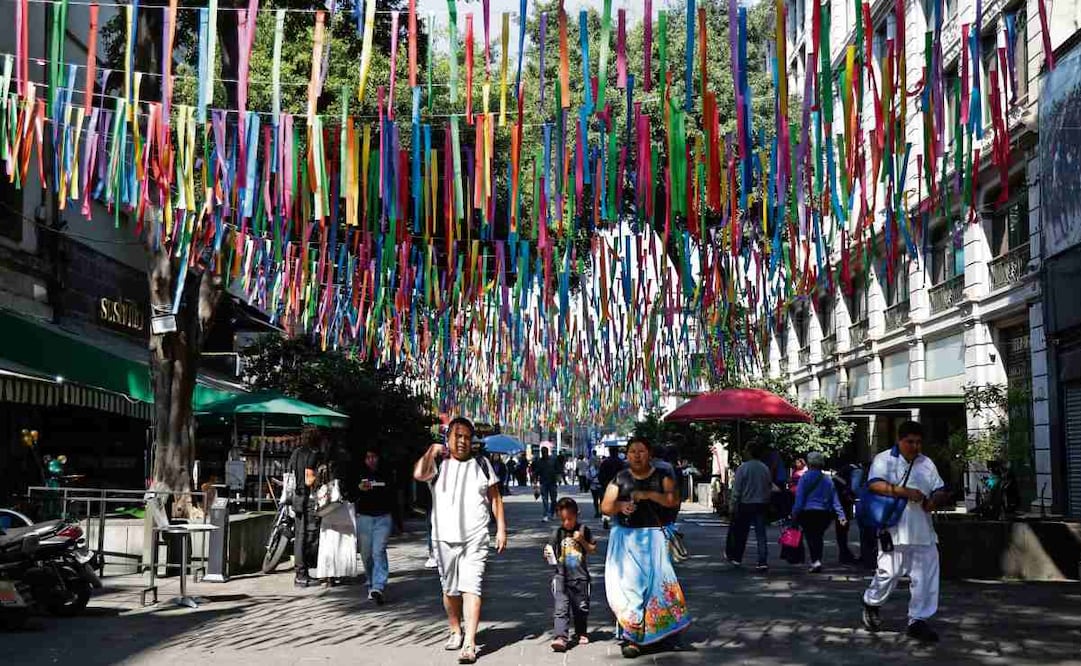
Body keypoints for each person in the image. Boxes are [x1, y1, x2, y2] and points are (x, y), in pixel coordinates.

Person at [413, 417, 507, 664]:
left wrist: (501, 529)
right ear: (448, 438)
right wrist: (430, 451)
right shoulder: (439, 464)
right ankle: (455, 629)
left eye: (467, 437)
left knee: (472, 587)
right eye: (458, 436)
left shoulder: (482, 463)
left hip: (475, 538)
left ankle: (470, 643)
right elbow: (418, 474)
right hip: (444, 539)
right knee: (450, 590)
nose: (463, 441)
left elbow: (495, 498)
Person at [600, 437, 690, 659]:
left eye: (641, 451)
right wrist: (621, 505)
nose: (636, 455)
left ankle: (664, 635)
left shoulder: (663, 477)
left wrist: (649, 495)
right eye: (632, 451)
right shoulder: (620, 478)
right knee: (629, 588)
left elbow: (673, 500)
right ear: (627, 455)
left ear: (649, 454)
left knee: (657, 587)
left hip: (654, 540)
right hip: (626, 540)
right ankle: (632, 637)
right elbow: (605, 506)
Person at [861, 421, 949, 643]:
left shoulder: (926, 463)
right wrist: (905, 492)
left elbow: (939, 488)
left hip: (923, 530)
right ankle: (872, 602)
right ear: (899, 440)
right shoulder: (884, 459)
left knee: (925, 578)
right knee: (888, 573)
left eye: (919, 442)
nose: (915, 446)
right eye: (910, 441)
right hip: (893, 528)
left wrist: (935, 501)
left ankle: (918, 620)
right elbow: (874, 485)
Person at [544, 497, 597, 652]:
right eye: (563, 519)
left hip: (580, 577)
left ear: (577, 514)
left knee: (581, 608)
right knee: (561, 608)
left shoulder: (583, 530)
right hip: (561, 576)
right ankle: (561, 637)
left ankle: (581, 632)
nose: (566, 522)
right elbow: (551, 553)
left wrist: (582, 541)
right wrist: (547, 554)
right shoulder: (557, 533)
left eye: (569, 519)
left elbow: (592, 549)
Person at [791, 452, 846, 573]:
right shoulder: (827, 479)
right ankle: (817, 560)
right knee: (818, 536)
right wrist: (841, 515)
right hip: (824, 513)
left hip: (807, 512)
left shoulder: (804, 478)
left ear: (809, 463)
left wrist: (794, 513)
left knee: (811, 537)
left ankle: (815, 561)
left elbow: (799, 499)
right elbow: (834, 498)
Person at [355, 449, 395, 604]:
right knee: (366, 554)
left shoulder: (386, 472)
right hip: (364, 517)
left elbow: (393, 492)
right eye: (368, 457)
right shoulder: (359, 473)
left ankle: (379, 585)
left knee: (378, 551)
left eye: (374, 456)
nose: (371, 460)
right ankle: (371, 582)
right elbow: (351, 493)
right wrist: (359, 488)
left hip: (383, 517)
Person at [287, 426, 323, 587]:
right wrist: (319, 477)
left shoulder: (296, 453)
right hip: (307, 499)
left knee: (300, 536)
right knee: (308, 536)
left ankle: (301, 573)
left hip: (296, 497)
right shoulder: (313, 454)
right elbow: (309, 479)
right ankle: (302, 574)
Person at [726, 446, 773, 571]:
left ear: (750, 453)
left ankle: (737, 558)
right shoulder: (765, 468)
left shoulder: (743, 468)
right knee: (761, 534)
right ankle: (762, 560)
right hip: (761, 503)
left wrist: (732, 504)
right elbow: (769, 486)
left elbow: (737, 489)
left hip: (745, 503)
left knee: (741, 532)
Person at [315, 456, 359, 586]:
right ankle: (344, 571)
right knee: (346, 541)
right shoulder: (349, 464)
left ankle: (328, 575)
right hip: (345, 506)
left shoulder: (323, 464)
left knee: (328, 541)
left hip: (329, 508)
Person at [833, 461, 861, 564]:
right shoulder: (857, 470)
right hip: (844, 501)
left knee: (840, 528)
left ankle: (843, 552)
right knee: (843, 527)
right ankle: (844, 554)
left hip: (838, 499)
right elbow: (855, 487)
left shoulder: (846, 468)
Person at [597, 448, 626, 529]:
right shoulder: (621, 462)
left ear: (609, 452)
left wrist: (603, 484)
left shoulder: (605, 462)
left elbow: (600, 475)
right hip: (619, 486)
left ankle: (606, 520)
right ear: (617, 453)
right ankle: (620, 520)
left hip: (607, 486)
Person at [532, 448, 559, 521]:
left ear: (547, 452)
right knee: (545, 500)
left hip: (552, 482)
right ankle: (545, 515)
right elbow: (535, 473)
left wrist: (558, 478)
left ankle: (552, 513)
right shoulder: (539, 462)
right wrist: (535, 483)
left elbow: (558, 470)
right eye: (542, 452)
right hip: (543, 483)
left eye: (545, 452)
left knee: (554, 499)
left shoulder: (553, 460)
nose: (544, 453)